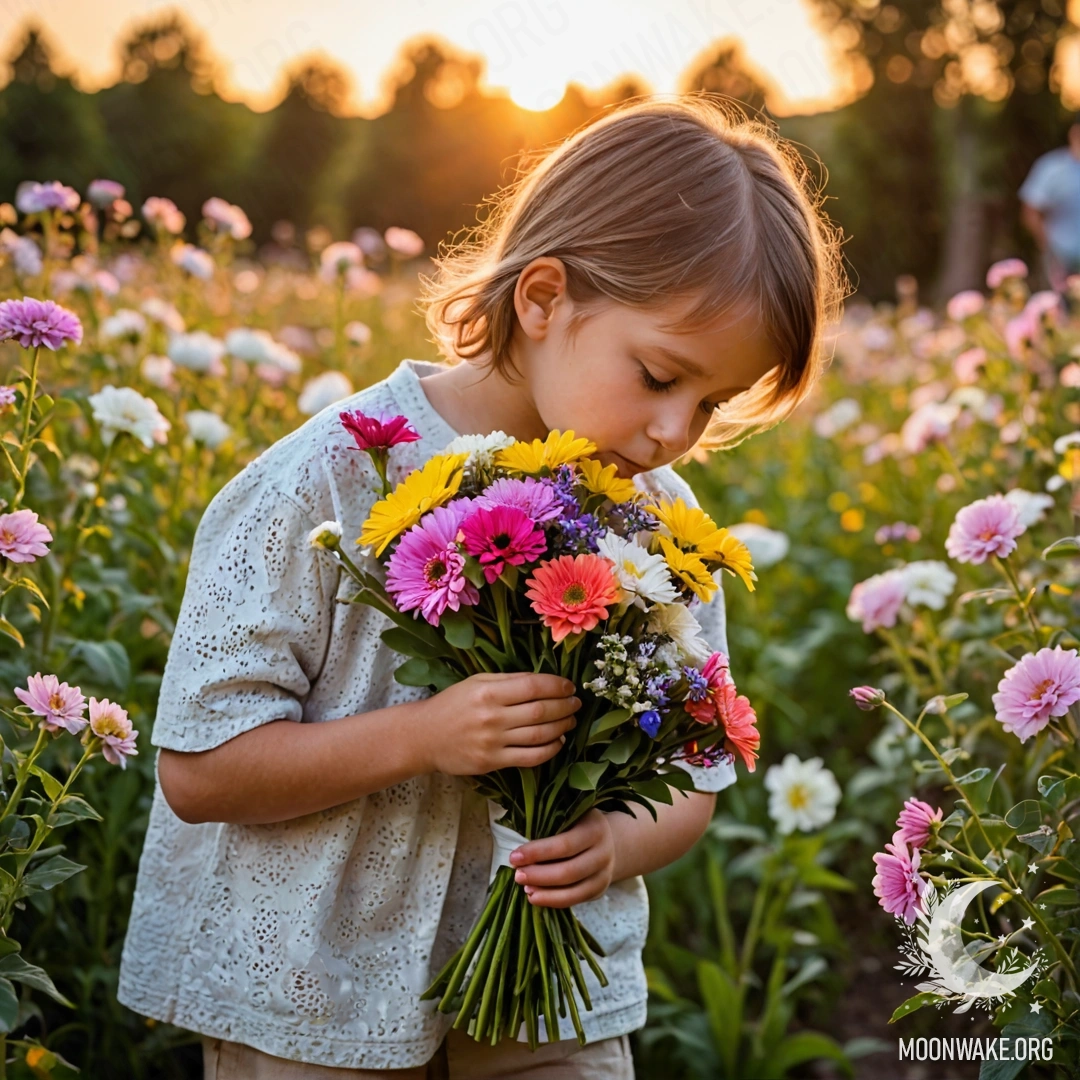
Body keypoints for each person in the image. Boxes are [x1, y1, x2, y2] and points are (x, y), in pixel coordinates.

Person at [116, 94, 846, 1079]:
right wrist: (425, 735)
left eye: (711, 402)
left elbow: (696, 776)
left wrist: (613, 845)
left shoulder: (659, 531)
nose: (676, 433)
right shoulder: (325, 485)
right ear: (543, 298)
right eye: (660, 375)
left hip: (549, 1005)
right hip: (316, 1000)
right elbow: (202, 774)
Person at [1019, 115, 1080, 292]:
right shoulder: (1051, 168)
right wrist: (1047, 245)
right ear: (1074, 133)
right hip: (1061, 256)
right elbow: (1030, 212)